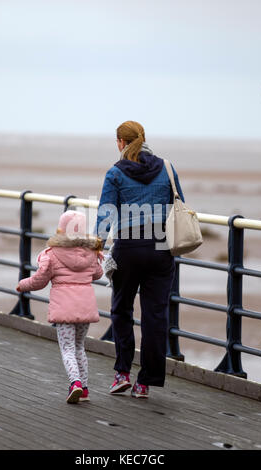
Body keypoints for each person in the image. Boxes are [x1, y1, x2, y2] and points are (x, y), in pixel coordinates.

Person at [94, 120, 185, 399]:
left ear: (121, 143)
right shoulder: (167, 168)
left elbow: (106, 213)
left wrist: (97, 242)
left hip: (128, 249)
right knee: (155, 316)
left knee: (121, 310)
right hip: (161, 248)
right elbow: (178, 203)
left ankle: (122, 373)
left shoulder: (116, 172)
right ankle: (145, 383)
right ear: (144, 139)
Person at [16, 210, 104, 404]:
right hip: (84, 307)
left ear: (61, 230)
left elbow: (40, 280)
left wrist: (23, 285)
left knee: (67, 348)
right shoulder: (91, 253)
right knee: (80, 346)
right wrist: (96, 256)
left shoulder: (52, 254)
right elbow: (97, 274)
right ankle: (86, 389)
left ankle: (75, 383)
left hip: (64, 309)